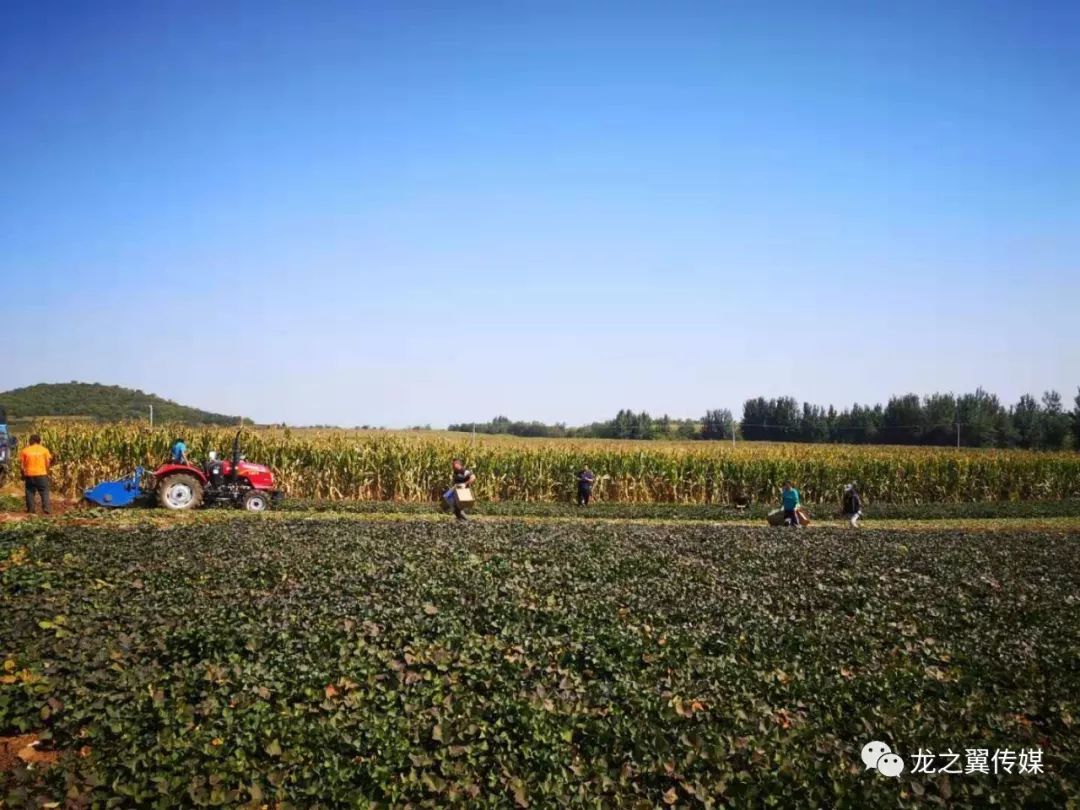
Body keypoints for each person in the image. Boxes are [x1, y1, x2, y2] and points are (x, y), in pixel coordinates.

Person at [19, 434, 53, 515]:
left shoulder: (25, 450)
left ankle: (31, 510)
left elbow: (22, 465)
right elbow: (48, 463)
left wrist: (22, 474)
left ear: (32, 441)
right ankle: (46, 509)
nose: (29, 441)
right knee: (44, 491)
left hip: (29, 474)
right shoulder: (44, 450)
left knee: (30, 492)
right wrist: (47, 471)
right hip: (41, 474)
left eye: (30, 440)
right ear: (39, 441)